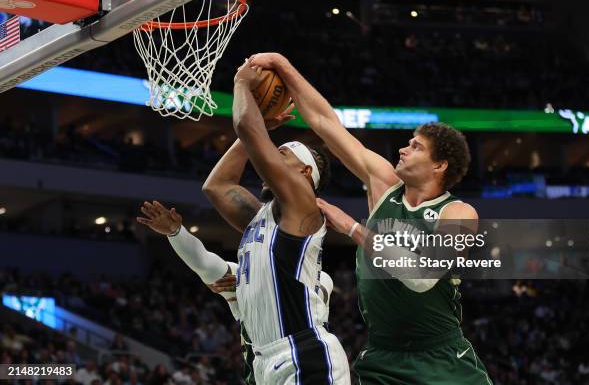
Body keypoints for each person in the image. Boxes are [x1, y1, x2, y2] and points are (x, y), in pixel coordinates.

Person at [249, 53, 492, 385]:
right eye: (408, 144)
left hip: (442, 359)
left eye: (416, 147)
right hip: (383, 357)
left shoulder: (459, 213)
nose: (404, 150)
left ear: (440, 166)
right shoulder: (384, 184)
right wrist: (282, 65)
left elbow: (422, 274)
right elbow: (324, 122)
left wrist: (353, 228)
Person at [201, 60, 350, 384]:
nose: (269, 159)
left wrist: (242, 84)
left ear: (304, 171)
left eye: (281, 155)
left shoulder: (301, 203)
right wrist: (255, 133)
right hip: (265, 359)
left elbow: (245, 126)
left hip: (304, 354)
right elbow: (217, 187)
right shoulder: (262, 219)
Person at [137, 202, 338, 385]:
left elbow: (299, 293)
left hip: (306, 368)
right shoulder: (244, 275)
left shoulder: (320, 279)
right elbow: (205, 264)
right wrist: (176, 233)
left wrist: (250, 284)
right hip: (263, 375)